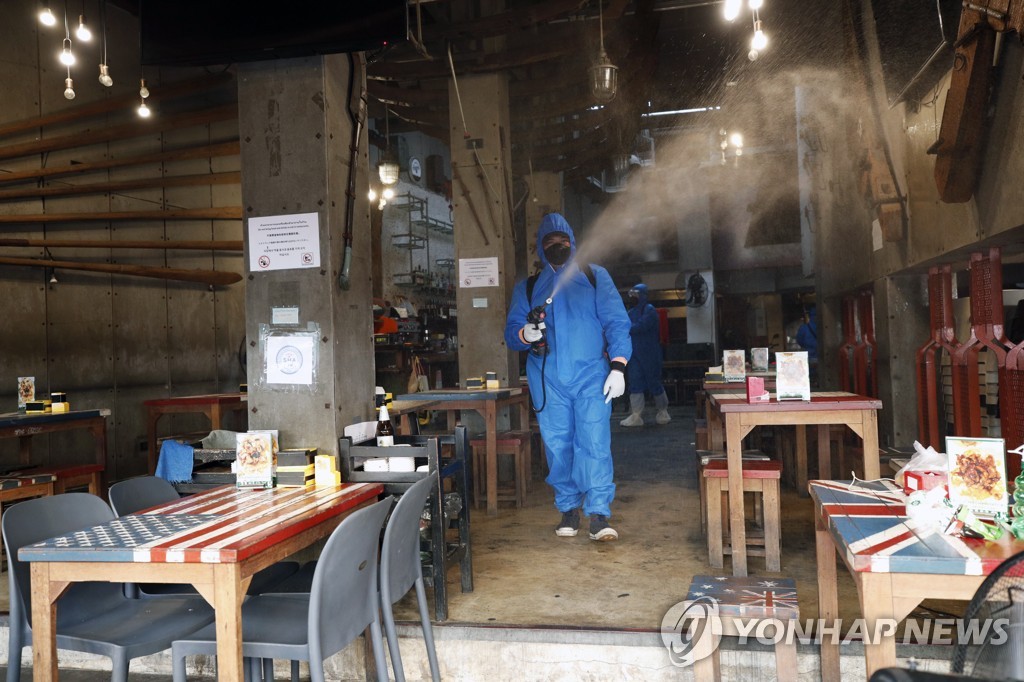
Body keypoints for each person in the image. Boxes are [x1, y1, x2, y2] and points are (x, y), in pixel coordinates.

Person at [504, 213, 631, 542]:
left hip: (591, 375)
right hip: (548, 379)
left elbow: (616, 322)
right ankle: (568, 509)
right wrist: (526, 333)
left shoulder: (594, 277)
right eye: (549, 243)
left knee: (594, 441)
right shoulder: (529, 287)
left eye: (562, 241)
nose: (557, 247)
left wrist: (618, 366)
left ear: (572, 243)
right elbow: (511, 332)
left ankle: (599, 514)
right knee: (558, 445)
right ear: (540, 249)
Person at [620, 284, 671, 426]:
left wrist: (625, 327)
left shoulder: (649, 310)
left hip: (650, 354)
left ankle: (663, 411)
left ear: (642, 295)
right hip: (635, 353)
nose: (632, 298)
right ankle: (636, 415)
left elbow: (640, 326)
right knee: (635, 383)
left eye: (635, 295)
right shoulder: (630, 312)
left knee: (654, 382)